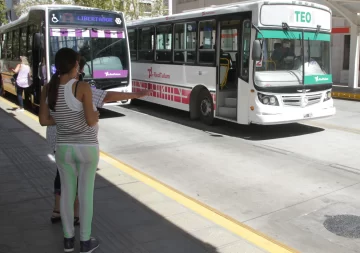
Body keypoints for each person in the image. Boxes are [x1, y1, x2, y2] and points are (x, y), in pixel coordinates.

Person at [39, 48, 149, 252]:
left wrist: (64, 120)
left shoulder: (48, 88)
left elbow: (44, 120)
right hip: (87, 148)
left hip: (63, 149)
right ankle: (86, 241)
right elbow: (90, 120)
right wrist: (94, 116)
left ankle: (68, 240)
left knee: (67, 193)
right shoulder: (81, 87)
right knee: (85, 194)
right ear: (75, 66)